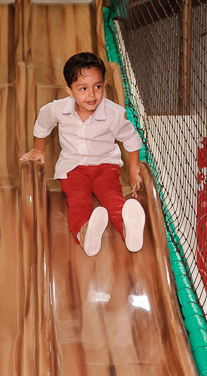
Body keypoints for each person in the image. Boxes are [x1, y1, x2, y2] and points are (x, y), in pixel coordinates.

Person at [20, 51, 146, 257]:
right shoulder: (58, 109)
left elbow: (131, 139)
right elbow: (43, 121)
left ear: (104, 84)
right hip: (73, 167)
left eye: (97, 87)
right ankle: (85, 233)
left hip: (105, 166)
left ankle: (128, 229)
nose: (92, 95)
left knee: (113, 197)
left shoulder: (113, 114)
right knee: (78, 199)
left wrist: (134, 171)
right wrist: (38, 149)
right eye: (83, 88)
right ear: (70, 91)